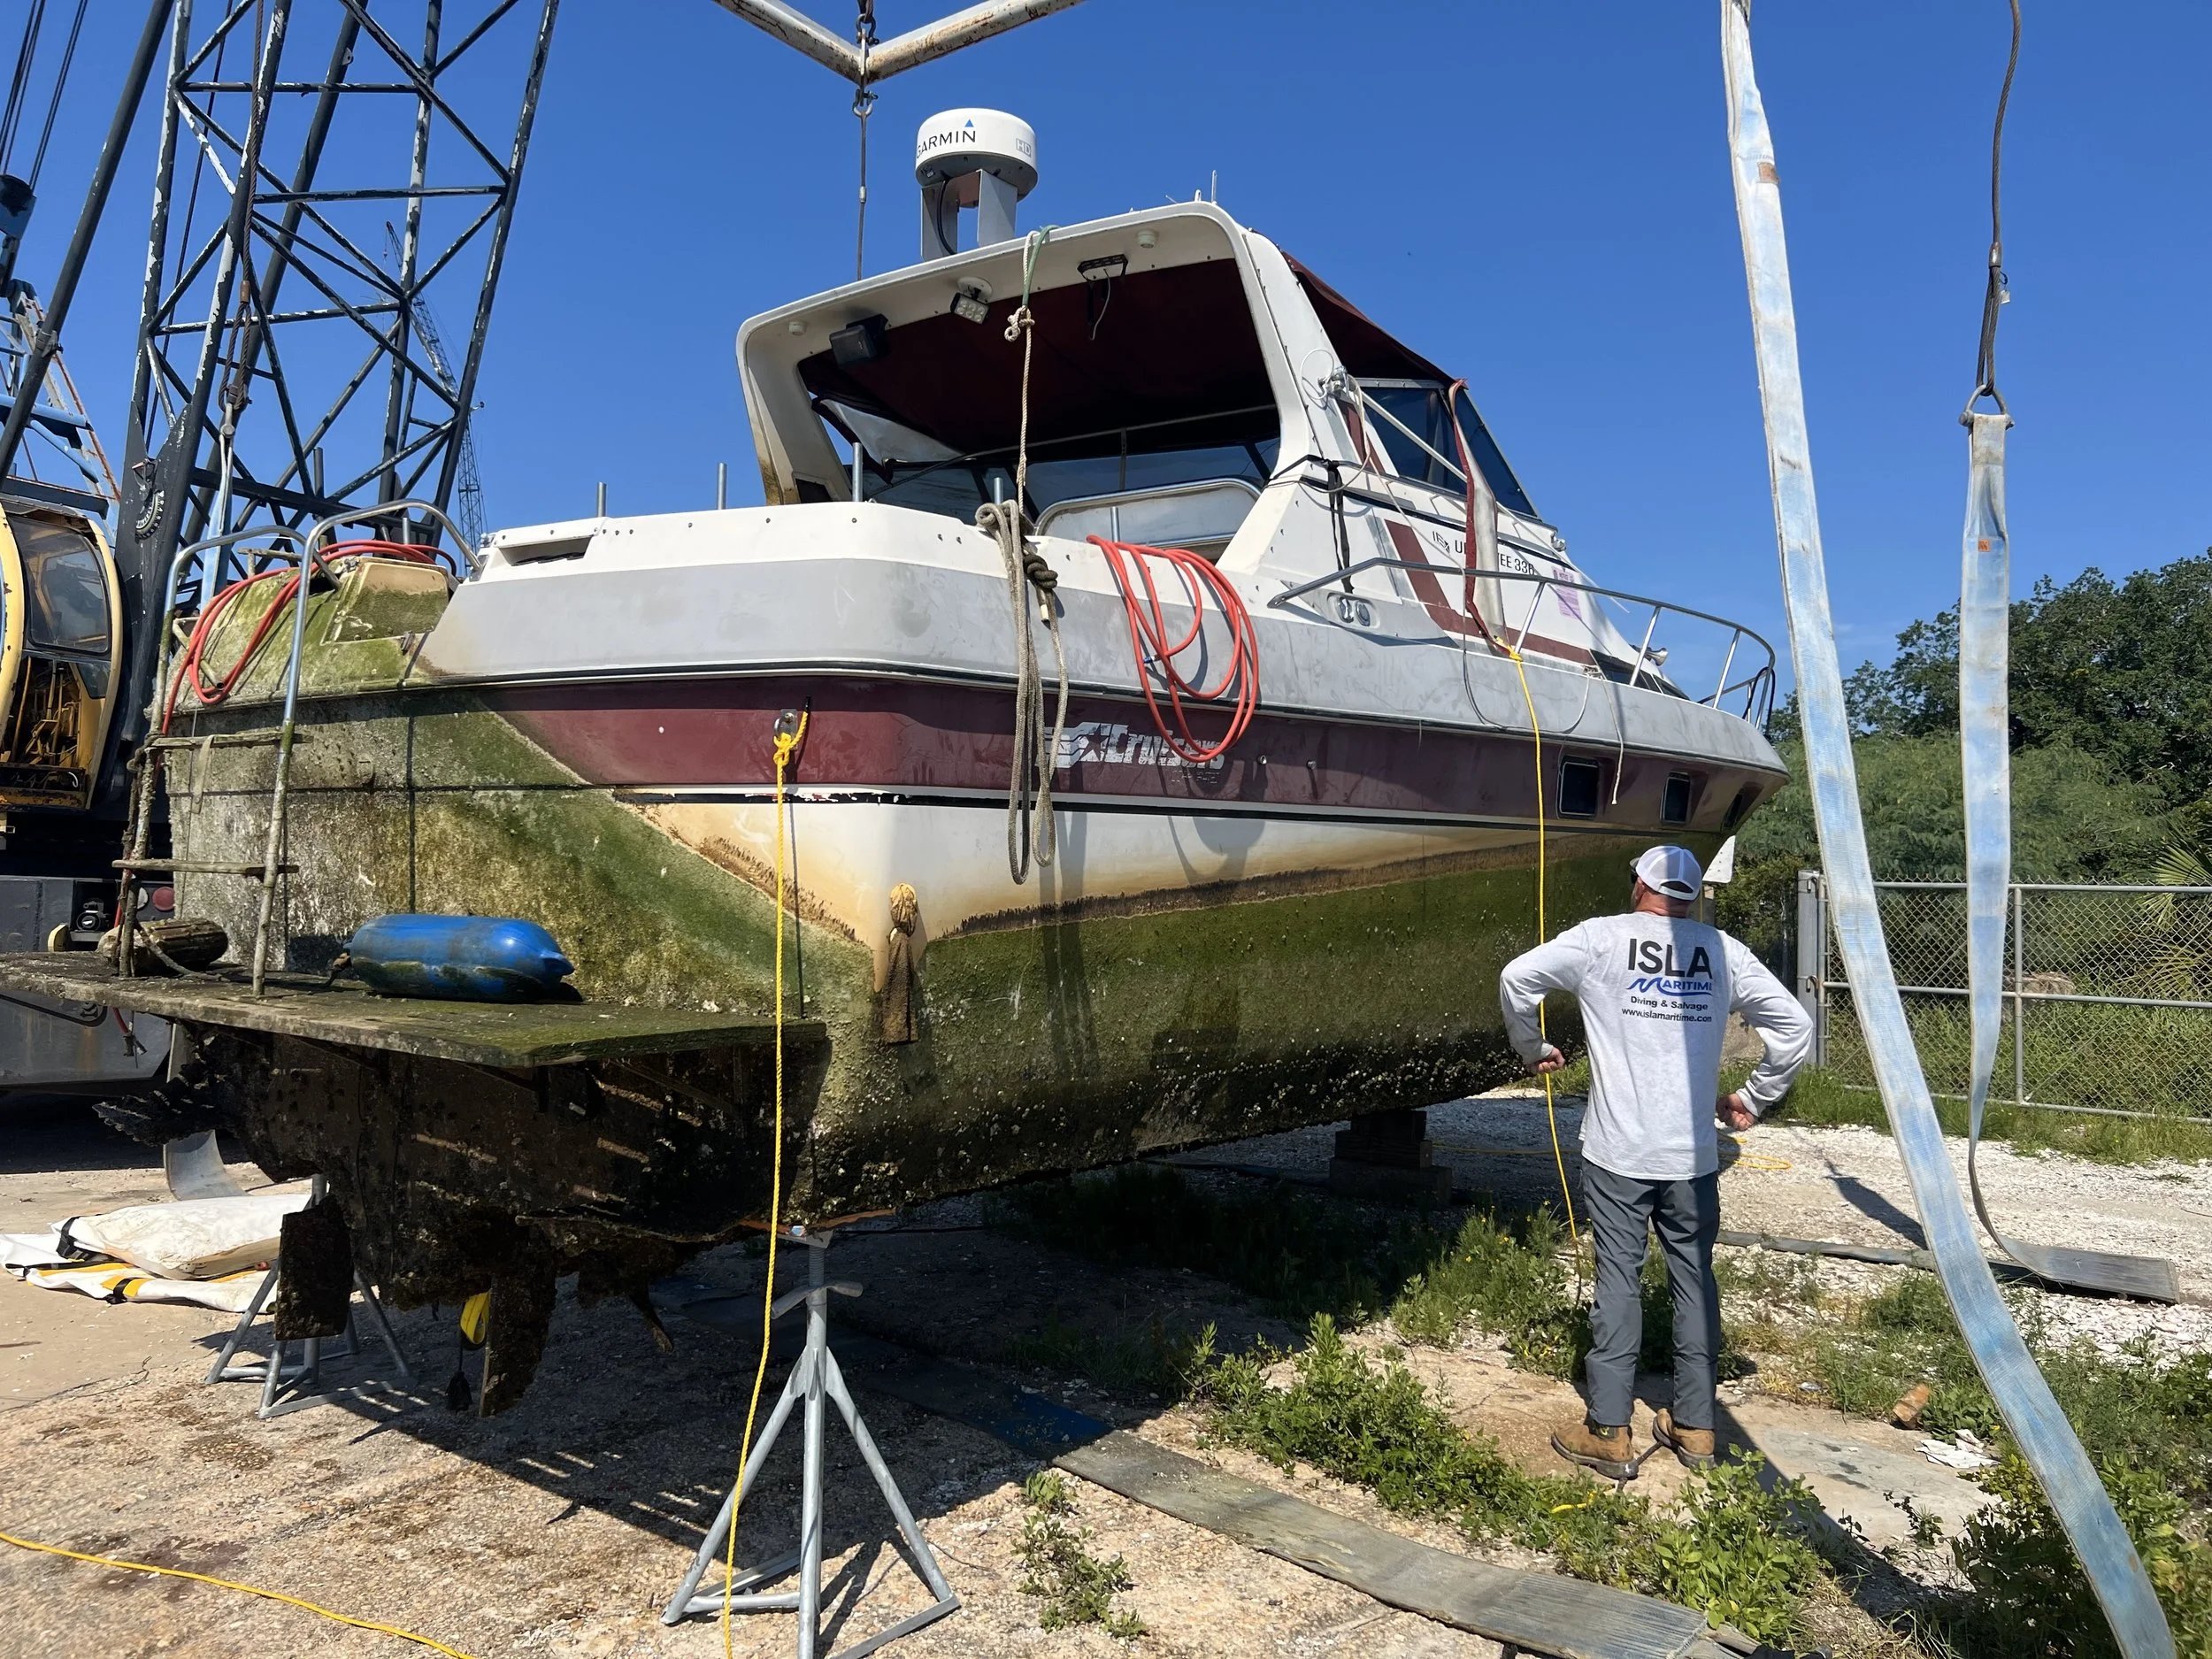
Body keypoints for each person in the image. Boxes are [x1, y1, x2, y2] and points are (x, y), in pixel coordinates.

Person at [1497, 843, 1811, 1479]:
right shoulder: (1724, 952)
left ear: (1638, 883)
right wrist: (1752, 1097)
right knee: (1694, 1277)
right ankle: (1695, 1425)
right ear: (1692, 896)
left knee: (1619, 1274)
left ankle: (1610, 1429)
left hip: (1619, 1149)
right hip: (1693, 1154)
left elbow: (1516, 977)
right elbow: (1796, 1027)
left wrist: (1532, 1047)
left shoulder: (1601, 939)